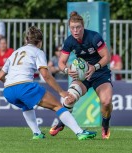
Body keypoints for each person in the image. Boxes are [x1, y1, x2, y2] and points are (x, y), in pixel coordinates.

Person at [0, 26, 96, 140]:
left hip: (8, 91)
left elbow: (0, 76)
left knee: (26, 106)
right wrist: (61, 92)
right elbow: (45, 75)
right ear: (40, 42)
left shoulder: (15, 52)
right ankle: (80, 133)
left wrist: (12, 84)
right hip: (24, 86)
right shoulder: (37, 51)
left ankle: (37, 134)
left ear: (26, 40)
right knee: (58, 106)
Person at [49, 11, 113, 140]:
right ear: (69, 28)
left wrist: (95, 67)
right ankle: (61, 123)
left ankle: (105, 125)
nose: (75, 30)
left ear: (83, 27)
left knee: (106, 102)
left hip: (100, 73)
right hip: (82, 75)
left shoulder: (94, 37)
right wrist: (67, 70)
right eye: (72, 28)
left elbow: (107, 57)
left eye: (78, 27)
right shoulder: (69, 41)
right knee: (69, 99)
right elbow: (61, 63)